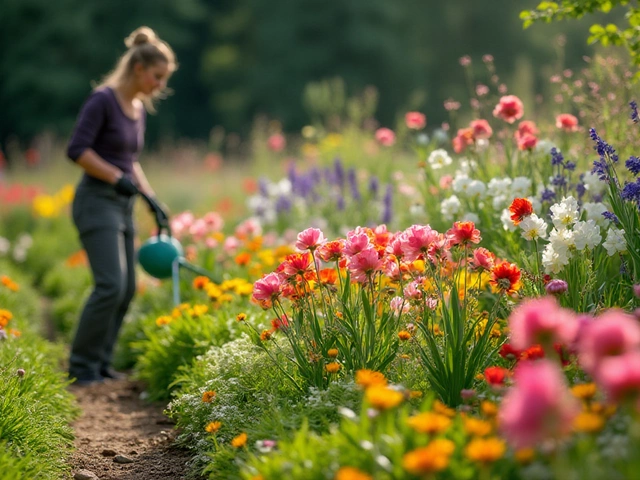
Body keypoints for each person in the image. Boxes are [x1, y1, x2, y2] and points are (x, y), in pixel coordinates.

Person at [66, 26, 175, 385]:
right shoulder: (103, 100)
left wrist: (152, 199)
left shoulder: (138, 109)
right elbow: (78, 150)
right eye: (157, 77)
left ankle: (100, 364)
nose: (160, 85)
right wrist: (115, 177)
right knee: (110, 284)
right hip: (96, 202)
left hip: (123, 204)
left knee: (127, 288)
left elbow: (132, 162)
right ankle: (81, 366)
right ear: (139, 69)